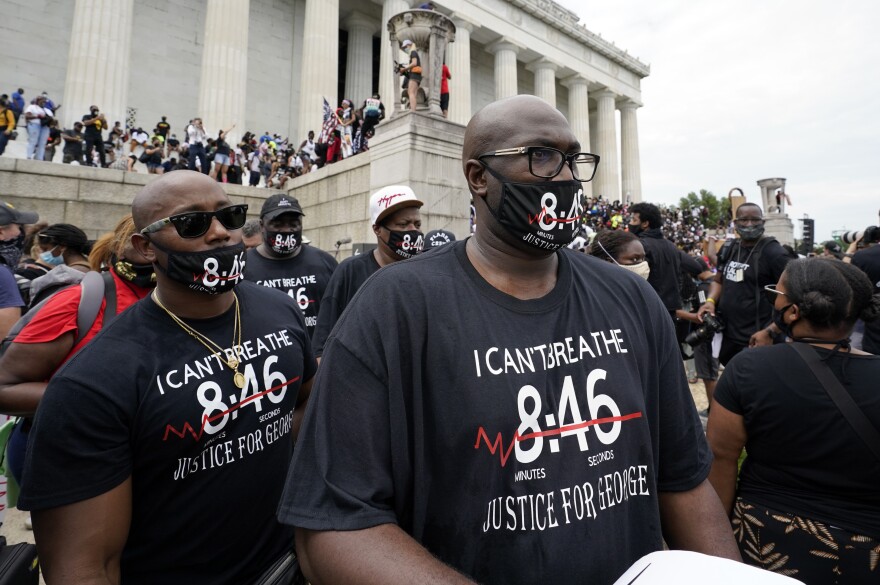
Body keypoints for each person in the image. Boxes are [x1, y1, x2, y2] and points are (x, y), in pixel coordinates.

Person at [280, 95, 739, 585]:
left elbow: (683, 482)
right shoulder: (395, 307)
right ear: (478, 177)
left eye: (572, 159)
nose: (564, 177)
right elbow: (333, 526)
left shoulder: (632, 298)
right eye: (540, 156)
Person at [18, 170, 317, 584]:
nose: (220, 234)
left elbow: (304, 400)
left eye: (230, 217)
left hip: (289, 564)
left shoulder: (280, 310)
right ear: (145, 247)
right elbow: (85, 567)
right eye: (192, 223)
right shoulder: (94, 380)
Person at [707, 258, 880, 583]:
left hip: (763, 540)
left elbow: (720, 457)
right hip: (863, 550)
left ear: (792, 312)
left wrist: (715, 543)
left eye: (777, 293)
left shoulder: (748, 369)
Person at [0, 215, 156, 487]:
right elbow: (5, 388)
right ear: (130, 246)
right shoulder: (78, 301)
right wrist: (113, 401)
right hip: (68, 461)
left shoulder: (192, 304)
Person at [310, 185, 423, 357]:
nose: (413, 231)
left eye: (417, 224)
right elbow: (322, 344)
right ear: (377, 229)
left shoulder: (429, 270)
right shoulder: (350, 271)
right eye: (403, 224)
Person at [697, 202, 792, 365]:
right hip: (729, 338)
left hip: (758, 340)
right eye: (744, 220)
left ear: (762, 222)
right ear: (735, 223)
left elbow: (795, 297)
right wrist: (710, 301)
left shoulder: (774, 253)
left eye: (755, 220)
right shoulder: (729, 247)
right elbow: (718, 280)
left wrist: (771, 331)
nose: (749, 224)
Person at [244, 194, 337, 339]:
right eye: (278, 224)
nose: (287, 230)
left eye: (293, 224)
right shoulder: (243, 267)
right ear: (262, 226)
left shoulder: (325, 262)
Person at [0, 201, 38, 337]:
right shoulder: (2, 275)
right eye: (19, 227)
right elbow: (6, 340)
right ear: (1, 232)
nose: (22, 233)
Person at [24, 95, 51, 161]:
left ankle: (39, 158)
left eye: (45, 101)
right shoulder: (32, 107)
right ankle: (29, 156)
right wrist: (37, 116)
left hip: (45, 127)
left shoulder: (47, 110)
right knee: (33, 141)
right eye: (43, 100)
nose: (44, 102)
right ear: (38, 100)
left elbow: (52, 120)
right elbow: (27, 116)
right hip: (34, 125)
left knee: (42, 143)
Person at [399, 39, 422, 112]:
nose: (405, 49)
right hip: (417, 76)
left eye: (405, 47)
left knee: (410, 92)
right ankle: (412, 109)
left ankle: (412, 111)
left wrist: (404, 69)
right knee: (413, 94)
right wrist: (404, 71)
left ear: (409, 45)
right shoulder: (414, 52)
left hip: (414, 75)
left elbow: (414, 63)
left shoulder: (413, 52)